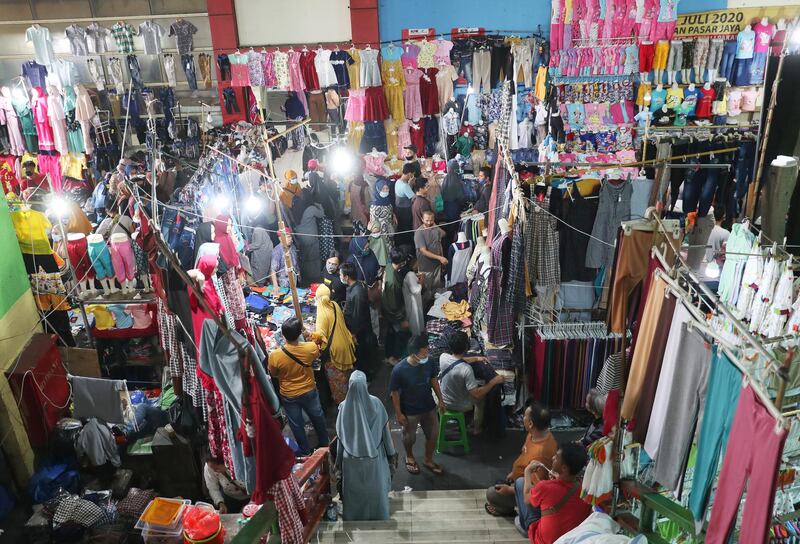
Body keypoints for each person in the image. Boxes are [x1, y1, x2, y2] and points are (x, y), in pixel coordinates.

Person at [335, 371, 397, 521]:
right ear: (365, 385)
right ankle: (379, 515)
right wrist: (391, 454)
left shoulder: (343, 407)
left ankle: (354, 516)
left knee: (354, 491)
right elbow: (385, 433)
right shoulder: (376, 403)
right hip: (375, 457)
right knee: (376, 489)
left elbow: (340, 439)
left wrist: (338, 463)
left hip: (350, 459)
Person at [267, 317, 329, 455]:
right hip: (309, 389)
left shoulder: (275, 356)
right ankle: (325, 444)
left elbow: (274, 374)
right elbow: (316, 356)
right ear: (299, 333)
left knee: (296, 424)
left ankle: (305, 451)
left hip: (289, 394)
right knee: (317, 417)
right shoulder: (310, 348)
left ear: (283, 335)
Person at [485, 402, 558, 517]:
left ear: (530, 423)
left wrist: (510, 490)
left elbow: (535, 489)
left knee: (491, 494)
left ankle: (511, 511)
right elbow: (524, 454)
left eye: (524, 416)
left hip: (524, 490)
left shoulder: (541, 454)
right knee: (497, 485)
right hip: (517, 480)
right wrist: (513, 473)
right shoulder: (536, 434)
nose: (522, 418)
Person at [389, 335, 444, 475]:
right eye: (423, 352)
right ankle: (409, 456)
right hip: (410, 411)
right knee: (409, 437)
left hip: (429, 407)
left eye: (427, 350)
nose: (426, 354)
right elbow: (394, 393)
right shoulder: (399, 370)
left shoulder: (430, 362)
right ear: (414, 353)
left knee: (433, 434)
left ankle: (428, 459)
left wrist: (441, 400)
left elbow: (433, 380)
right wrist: (399, 413)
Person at [521, 443, 591, 543]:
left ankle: (526, 527)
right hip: (572, 539)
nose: (553, 458)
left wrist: (527, 472)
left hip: (544, 540)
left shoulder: (545, 486)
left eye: (557, 457)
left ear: (564, 468)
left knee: (520, 483)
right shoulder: (585, 489)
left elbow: (526, 499)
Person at [438, 331, 504, 432]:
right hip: (456, 404)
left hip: (442, 399)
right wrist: (493, 381)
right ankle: (477, 429)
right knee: (481, 399)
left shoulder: (443, 357)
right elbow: (477, 394)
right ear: (466, 347)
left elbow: (457, 360)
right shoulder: (466, 369)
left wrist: (477, 358)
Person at [313, 284, 355, 404]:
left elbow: (320, 337)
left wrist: (309, 335)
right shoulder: (335, 305)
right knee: (346, 376)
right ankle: (351, 397)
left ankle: (342, 403)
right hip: (345, 344)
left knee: (337, 380)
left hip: (334, 352)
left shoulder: (322, 313)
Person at [341, 262, 378, 378]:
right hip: (360, 330)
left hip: (360, 332)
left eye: (341, 275)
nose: (340, 277)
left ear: (346, 277)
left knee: (362, 355)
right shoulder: (355, 287)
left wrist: (354, 334)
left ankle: (366, 377)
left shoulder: (357, 293)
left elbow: (357, 317)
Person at [414, 210, 448, 297]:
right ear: (422, 219)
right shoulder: (419, 233)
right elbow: (423, 251)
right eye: (427, 220)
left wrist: (436, 226)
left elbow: (444, 234)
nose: (429, 223)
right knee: (426, 292)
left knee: (435, 290)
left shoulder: (435, 228)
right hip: (426, 268)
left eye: (431, 220)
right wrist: (440, 258)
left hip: (436, 266)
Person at [295, 203, 324, 284]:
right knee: (314, 257)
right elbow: (321, 214)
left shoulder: (295, 208)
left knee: (305, 257)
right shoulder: (310, 208)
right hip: (310, 236)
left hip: (300, 236)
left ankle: (306, 276)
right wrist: (319, 205)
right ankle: (314, 277)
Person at [441, 160, 465, 239]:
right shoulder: (456, 179)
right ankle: (454, 239)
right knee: (455, 225)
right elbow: (460, 196)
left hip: (446, 205)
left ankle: (449, 238)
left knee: (449, 223)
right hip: (454, 206)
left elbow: (442, 192)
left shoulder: (446, 177)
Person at [370, 177, 396, 250]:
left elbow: (390, 210)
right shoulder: (374, 206)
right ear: (378, 189)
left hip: (389, 229)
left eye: (387, 188)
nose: (385, 191)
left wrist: (393, 215)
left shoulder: (387, 201)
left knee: (391, 247)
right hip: (380, 233)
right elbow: (373, 222)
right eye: (383, 189)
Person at [270, 228, 300, 293]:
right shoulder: (277, 251)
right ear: (280, 238)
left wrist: (298, 274)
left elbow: (296, 263)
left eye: (290, 237)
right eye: (288, 237)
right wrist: (275, 285)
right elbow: (273, 270)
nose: (290, 239)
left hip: (294, 280)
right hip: (284, 284)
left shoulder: (292, 247)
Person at [395, 164, 417, 246]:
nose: (413, 176)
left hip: (398, 209)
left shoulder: (398, 181)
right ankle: (409, 246)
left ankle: (402, 244)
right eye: (412, 174)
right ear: (409, 174)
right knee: (407, 229)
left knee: (402, 228)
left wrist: (410, 184)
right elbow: (414, 198)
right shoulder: (404, 186)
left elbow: (407, 191)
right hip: (405, 211)